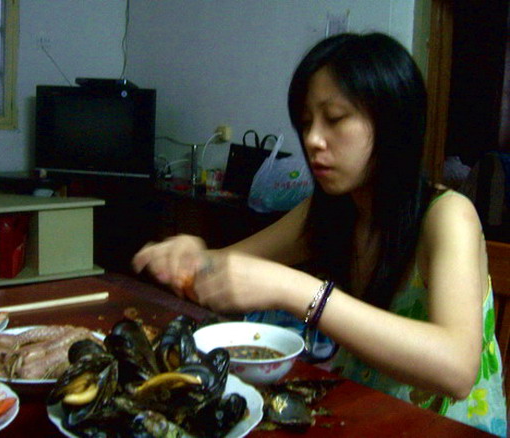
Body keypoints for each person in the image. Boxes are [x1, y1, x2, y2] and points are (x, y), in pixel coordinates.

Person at [132, 32, 507, 436]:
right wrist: (194, 256)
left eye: (335, 118)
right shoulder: (331, 210)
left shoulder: (448, 215)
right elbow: (230, 264)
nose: (312, 139)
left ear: (393, 123)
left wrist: (294, 290)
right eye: (307, 121)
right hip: (363, 412)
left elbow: (456, 369)